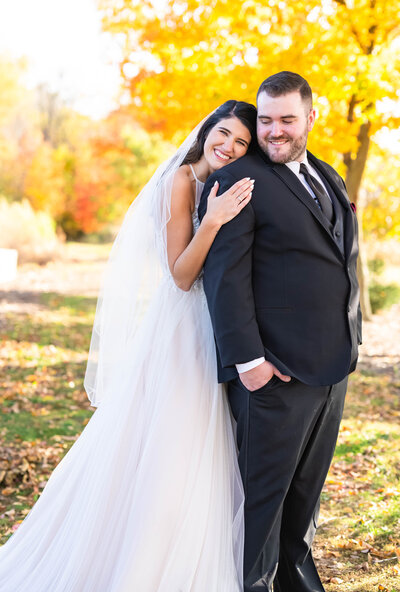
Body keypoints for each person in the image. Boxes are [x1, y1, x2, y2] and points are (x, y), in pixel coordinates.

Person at [0, 100, 257, 592]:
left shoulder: (228, 182)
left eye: (241, 142)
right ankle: (145, 561)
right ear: (206, 131)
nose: (229, 147)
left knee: (201, 444)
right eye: (223, 134)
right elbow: (181, 275)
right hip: (183, 328)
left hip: (216, 324)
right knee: (172, 441)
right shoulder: (181, 181)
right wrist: (215, 219)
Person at [198, 72, 362, 592]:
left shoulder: (328, 175)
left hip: (332, 369)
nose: (274, 131)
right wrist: (250, 363)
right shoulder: (238, 178)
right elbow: (224, 277)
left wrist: (352, 337)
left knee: (303, 503)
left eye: (287, 119)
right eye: (264, 120)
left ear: (311, 117)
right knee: (261, 508)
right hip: (273, 376)